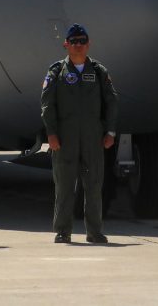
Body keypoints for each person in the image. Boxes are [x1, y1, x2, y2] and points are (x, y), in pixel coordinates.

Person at [41, 24, 118, 244]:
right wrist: (52, 133)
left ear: (88, 44)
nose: (78, 45)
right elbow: (47, 104)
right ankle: (63, 230)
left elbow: (111, 102)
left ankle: (94, 231)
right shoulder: (57, 71)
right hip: (65, 138)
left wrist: (110, 131)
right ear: (66, 44)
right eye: (73, 41)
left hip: (93, 137)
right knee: (64, 185)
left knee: (93, 185)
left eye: (82, 41)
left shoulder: (98, 71)